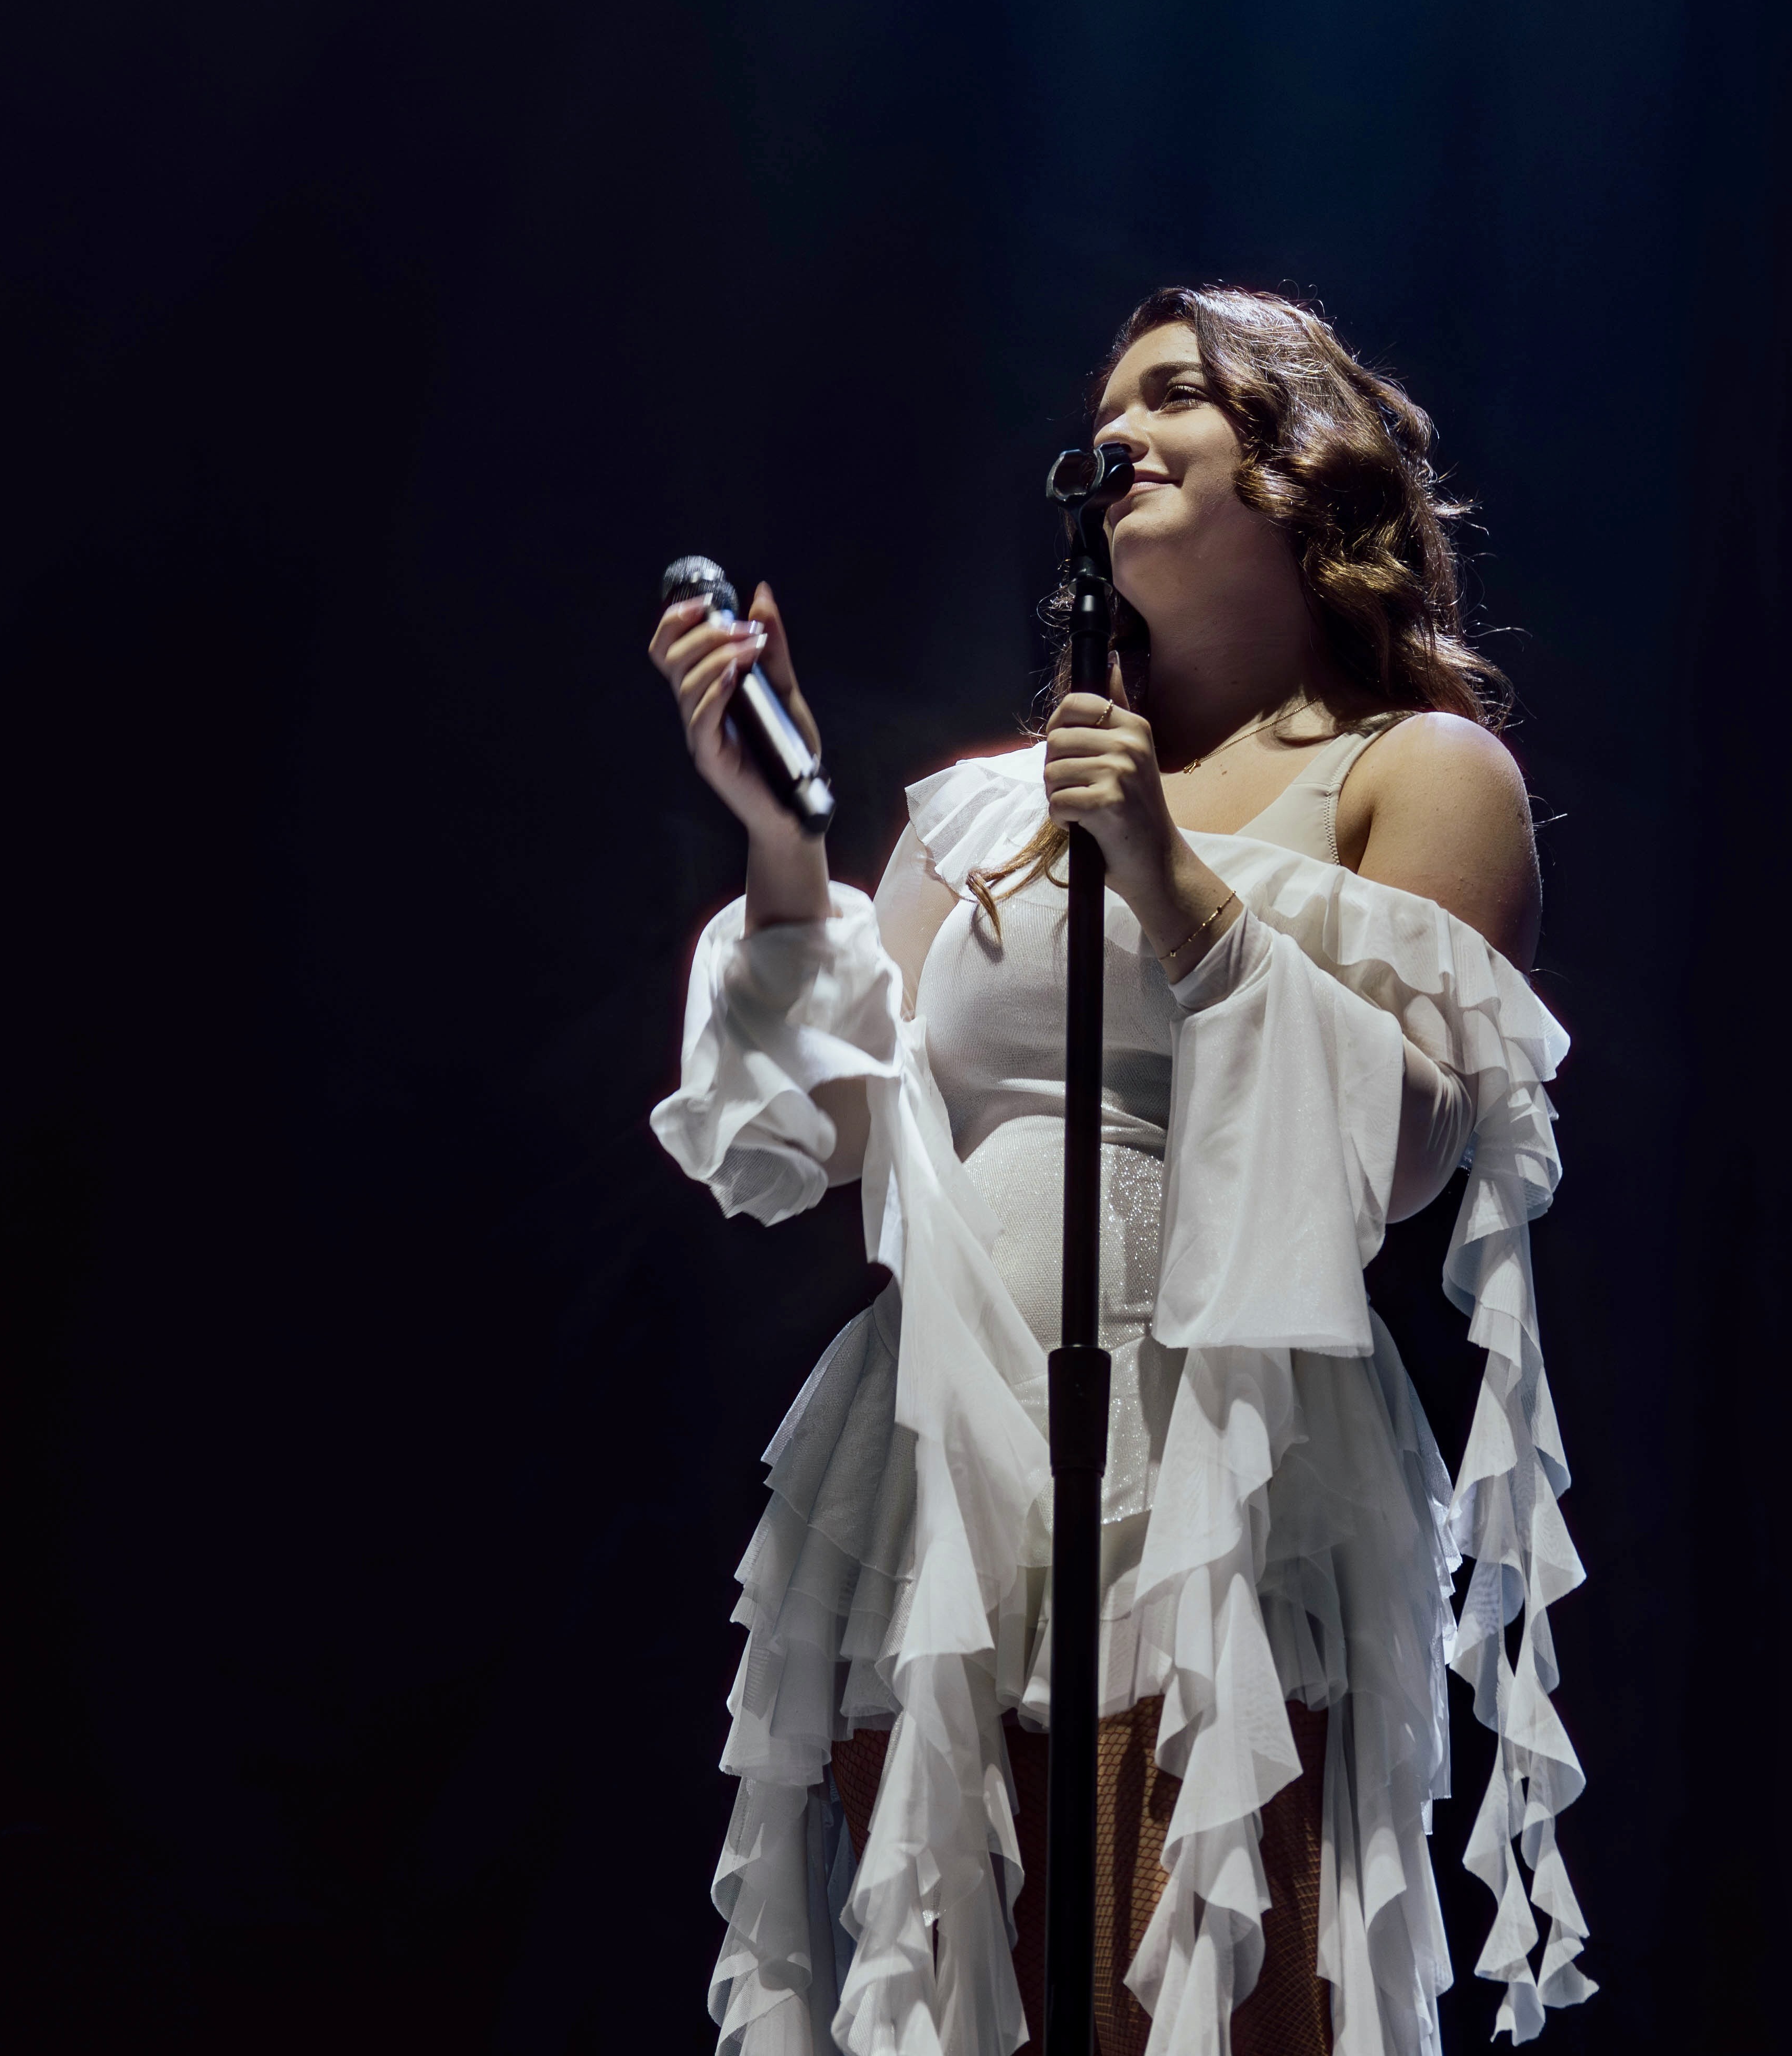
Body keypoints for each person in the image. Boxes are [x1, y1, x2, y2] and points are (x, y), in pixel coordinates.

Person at [649, 288, 1589, 2055]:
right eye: (1107, 413)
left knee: (1206, 1984)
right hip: (949, 1464)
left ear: (1300, 454)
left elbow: (1401, 1153)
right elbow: (829, 1136)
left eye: (1175, 396)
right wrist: (784, 843)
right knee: (963, 1994)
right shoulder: (994, 805)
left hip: (1219, 1458)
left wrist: (1171, 874)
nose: (1120, 435)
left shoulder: (1414, 769)